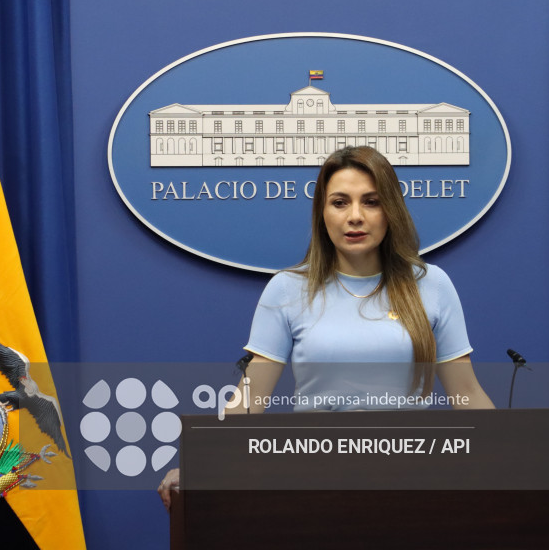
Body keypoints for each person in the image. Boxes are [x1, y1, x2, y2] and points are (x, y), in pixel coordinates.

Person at [158, 145, 494, 510]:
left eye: (371, 201)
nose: (355, 216)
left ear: (391, 210)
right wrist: (203, 465)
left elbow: (468, 394)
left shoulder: (431, 285)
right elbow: (250, 400)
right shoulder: (287, 288)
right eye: (339, 202)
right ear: (322, 212)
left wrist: (515, 460)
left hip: (412, 478)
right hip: (314, 479)